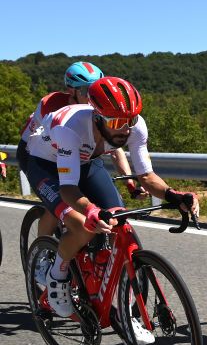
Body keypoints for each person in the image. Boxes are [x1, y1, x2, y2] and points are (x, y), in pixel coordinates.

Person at [23, 77, 199, 333]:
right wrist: (90, 210)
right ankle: (56, 277)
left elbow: (146, 177)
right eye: (117, 123)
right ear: (97, 117)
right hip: (44, 164)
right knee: (83, 225)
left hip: (85, 160)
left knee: (118, 218)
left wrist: (174, 196)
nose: (125, 130)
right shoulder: (70, 128)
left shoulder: (133, 126)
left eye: (130, 121)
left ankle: (112, 298)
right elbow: (69, 188)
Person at [17, 62, 141, 250]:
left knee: (114, 213)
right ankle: (41, 254)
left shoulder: (99, 111)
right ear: (71, 91)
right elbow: (39, 143)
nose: (92, 96)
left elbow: (115, 149)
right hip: (40, 155)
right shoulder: (51, 105)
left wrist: (130, 182)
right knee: (57, 207)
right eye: (85, 90)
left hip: (79, 156)